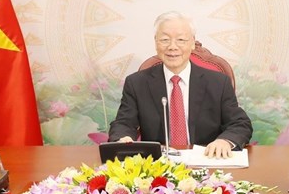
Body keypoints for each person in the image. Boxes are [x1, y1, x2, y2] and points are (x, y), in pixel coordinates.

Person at [108, 11, 252, 158]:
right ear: (156, 42)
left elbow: (240, 123)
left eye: (181, 40)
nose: (172, 47)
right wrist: (122, 139)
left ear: (192, 43)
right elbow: (123, 123)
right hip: (159, 166)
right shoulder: (137, 83)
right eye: (164, 39)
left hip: (206, 161)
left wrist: (225, 141)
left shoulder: (218, 82)